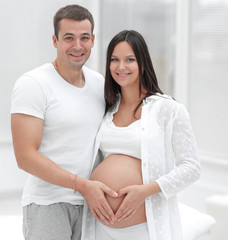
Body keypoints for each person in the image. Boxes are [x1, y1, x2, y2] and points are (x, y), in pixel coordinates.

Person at [11, 4, 118, 240]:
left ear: (93, 40)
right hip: (48, 204)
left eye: (84, 38)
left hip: (92, 205)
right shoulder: (33, 84)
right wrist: (82, 185)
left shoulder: (100, 83)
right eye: (69, 38)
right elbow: (25, 157)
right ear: (55, 40)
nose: (78, 46)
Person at [81, 30, 201, 240]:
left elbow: (191, 168)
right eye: (114, 60)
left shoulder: (168, 109)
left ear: (143, 63)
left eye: (130, 60)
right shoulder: (106, 109)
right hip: (99, 227)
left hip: (143, 228)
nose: (121, 67)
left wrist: (145, 191)